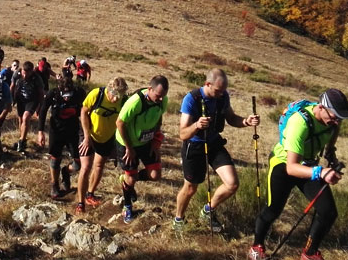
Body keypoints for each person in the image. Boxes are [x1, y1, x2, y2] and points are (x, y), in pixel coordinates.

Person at [248, 89, 348, 260]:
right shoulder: (299, 123)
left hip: (309, 165)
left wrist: (331, 157)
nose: (336, 122)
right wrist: (321, 172)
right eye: (334, 117)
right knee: (273, 210)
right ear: (321, 107)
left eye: (340, 119)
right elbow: (291, 168)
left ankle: (310, 254)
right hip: (283, 165)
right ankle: (256, 246)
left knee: (328, 211)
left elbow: (330, 142)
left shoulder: (332, 122)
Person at [173, 69, 260, 232]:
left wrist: (247, 121)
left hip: (214, 143)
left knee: (232, 184)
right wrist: (197, 125)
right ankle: (178, 219)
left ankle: (207, 210)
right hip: (194, 146)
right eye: (218, 91)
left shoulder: (223, 96)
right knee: (191, 188)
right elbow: (182, 134)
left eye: (223, 91)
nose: (222, 94)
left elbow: (232, 118)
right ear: (208, 84)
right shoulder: (191, 99)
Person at [116, 75, 169, 224]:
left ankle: (127, 180)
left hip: (146, 142)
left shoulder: (162, 100)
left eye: (163, 96)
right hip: (126, 142)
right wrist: (129, 147)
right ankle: (127, 206)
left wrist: (155, 141)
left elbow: (159, 118)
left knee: (155, 174)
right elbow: (119, 123)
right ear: (150, 89)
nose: (160, 99)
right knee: (131, 178)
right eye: (158, 96)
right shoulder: (135, 102)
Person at [75, 78, 129, 215]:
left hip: (107, 136)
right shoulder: (96, 94)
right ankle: (80, 203)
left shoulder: (123, 101)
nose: (116, 100)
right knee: (86, 167)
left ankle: (90, 194)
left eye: (120, 97)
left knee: (99, 165)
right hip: (89, 133)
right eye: (114, 96)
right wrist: (87, 137)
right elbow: (83, 112)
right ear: (109, 90)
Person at [38, 75, 86, 200]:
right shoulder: (52, 94)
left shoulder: (79, 93)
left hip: (73, 130)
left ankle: (66, 172)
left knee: (78, 162)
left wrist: (87, 132)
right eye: (64, 95)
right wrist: (40, 131)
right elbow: (43, 110)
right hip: (56, 130)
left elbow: (86, 111)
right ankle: (54, 184)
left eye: (69, 95)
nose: (66, 98)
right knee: (55, 158)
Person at [11, 61, 45, 153]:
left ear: (32, 71)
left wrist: (40, 107)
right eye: (23, 73)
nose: (25, 76)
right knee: (21, 120)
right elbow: (12, 86)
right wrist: (11, 99)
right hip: (20, 99)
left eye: (27, 74)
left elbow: (41, 93)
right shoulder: (16, 74)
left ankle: (22, 141)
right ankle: (21, 138)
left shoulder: (37, 78)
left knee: (26, 118)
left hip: (32, 100)